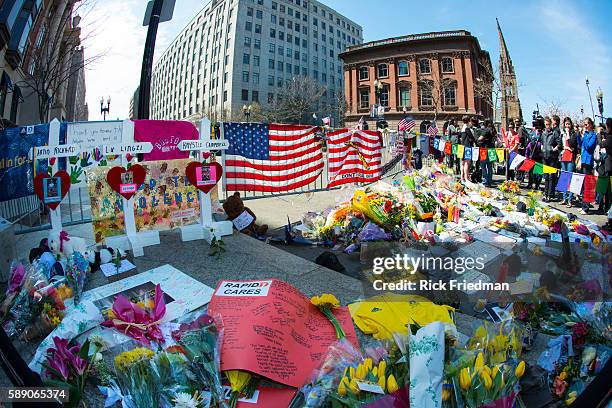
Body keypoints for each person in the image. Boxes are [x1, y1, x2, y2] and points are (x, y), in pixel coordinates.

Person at [579, 117, 598, 215]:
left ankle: (586, 207)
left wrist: (584, 137)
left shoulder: (593, 135)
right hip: (582, 160)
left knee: (587, 184)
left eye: (586, 124)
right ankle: (583, 204)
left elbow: (588, 146)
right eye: (584, 124)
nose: (585, 126)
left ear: (590, 125)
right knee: (582, 184)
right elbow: (580, 145)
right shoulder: (585, 134)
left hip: (588, 161)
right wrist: (579, 135)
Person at [560, 117, 579, 207]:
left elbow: (572, 144)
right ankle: (564, 198)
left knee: (571, 178)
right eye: (566, 124)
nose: (567, 126)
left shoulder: (573, 134)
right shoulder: (562, 134)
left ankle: (570, 199)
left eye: (568, 124)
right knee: (564, 178)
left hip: (571, 157)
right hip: (564, 157)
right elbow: (560, 144)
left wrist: (568, 134)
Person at [542, 116, 562, 201]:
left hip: (552, 157)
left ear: (551, 124)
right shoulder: (543, 133)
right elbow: (542, 142)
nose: (547, 126)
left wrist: (554, 148)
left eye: (548, 124)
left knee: (551, 176)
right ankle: (545, 193)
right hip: (545, 157)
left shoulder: (554, 133)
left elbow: (559, 143)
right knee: (546, 176)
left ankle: (550, 194)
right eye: (546, 125)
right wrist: (542, 149)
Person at [596, 118, 611, 213]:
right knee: (601, 186)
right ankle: (601, 206)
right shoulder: (608, 136)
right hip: (603, 166)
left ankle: (607, 209)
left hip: (609, 166)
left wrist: (598, 134)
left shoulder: (610, 138)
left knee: (608, 191)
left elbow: (601, 144)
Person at [478, 119, 495, 187]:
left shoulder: (486, 130)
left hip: (485, 149)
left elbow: (480, 138)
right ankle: (490, 181)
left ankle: (485, 180)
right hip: (491, 150)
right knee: (490, 166)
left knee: (483, 165)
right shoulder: (493, 130)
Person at [526, 126, 543, 191]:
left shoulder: (542, 136)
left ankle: (537, 184)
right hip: (531, 157)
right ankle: (530, 183)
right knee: (531, 172)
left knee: (538, 172)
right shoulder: (531, 135)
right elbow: (527, 150)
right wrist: (527, 158)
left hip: (539, 157)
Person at [460, 116, 476, 182]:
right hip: (467, 147)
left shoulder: (462, 128)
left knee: (463, 163)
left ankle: (462, 177)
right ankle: (466, 178)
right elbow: (472, 137)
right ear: (468, 121)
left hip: (462, 146)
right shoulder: (467, 129)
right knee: (467, 163)